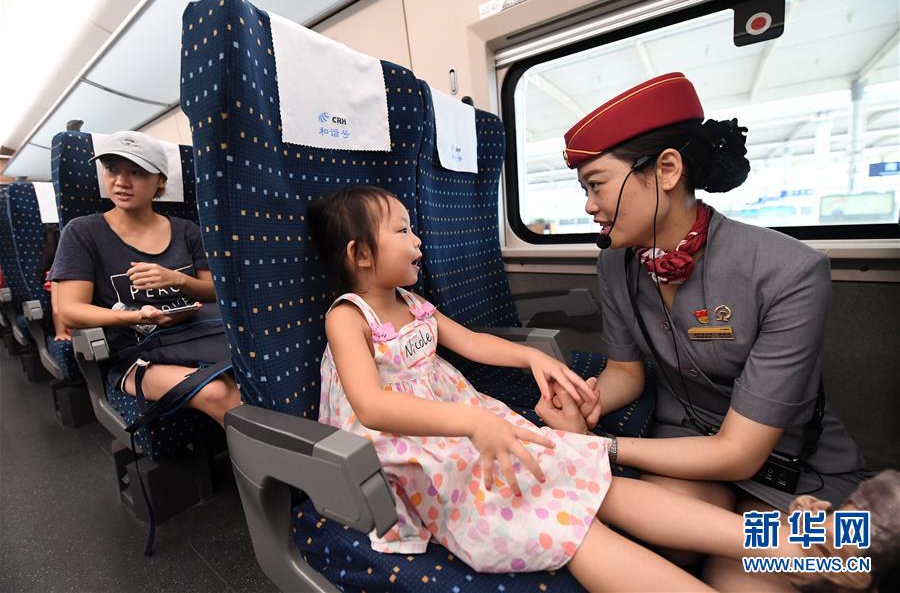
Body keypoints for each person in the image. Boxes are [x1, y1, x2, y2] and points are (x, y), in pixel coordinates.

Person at [307, 185, 825, 591]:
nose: (418, 240)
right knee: (569, 523)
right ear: (361, 254)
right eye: (403, 230)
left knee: (587, 469)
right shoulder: (348, 317)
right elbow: (372, 406)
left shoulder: (414, 304)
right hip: (409, 448)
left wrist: (531, 356)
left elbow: (473, 343)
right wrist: (471, 422)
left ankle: (796, 545)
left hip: (464, 422)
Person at [550, 72, 873, 589]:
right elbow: (626, 373)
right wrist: (585, 400)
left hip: (796, 470)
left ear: (666, 169)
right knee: (656, 540)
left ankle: (834, 554)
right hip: (684, 452)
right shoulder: (615, 263)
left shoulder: (789, 270)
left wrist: (597, 446)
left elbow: (740, 452)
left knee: (741, 579)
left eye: (597, 185)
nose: (589, 205)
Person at [51, 131, 240, 426]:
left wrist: (177, 280)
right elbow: (70, 311)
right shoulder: (82, 232)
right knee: (219, 393)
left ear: (160, 181)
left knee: (251, 373)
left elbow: (214, 292)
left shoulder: (187, 230)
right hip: (136, 353)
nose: (121, 182)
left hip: (197, 335)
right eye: (112, 169)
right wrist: (138, 316)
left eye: (136, 172)